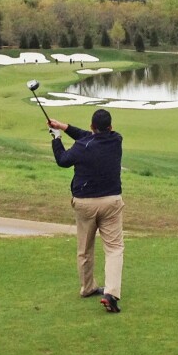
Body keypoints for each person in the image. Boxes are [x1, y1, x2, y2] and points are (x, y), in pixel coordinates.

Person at [47, 109, 124, 313]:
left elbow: (62, 160)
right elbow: (90, 138)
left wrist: (57, 138)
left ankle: (88, 288)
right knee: (114, 249)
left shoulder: (82, 147)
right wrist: (64, 126)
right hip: (111, 202)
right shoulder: (116, 140)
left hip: (85, 204)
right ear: (110, 127)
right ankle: (111, 293)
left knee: (85, 248)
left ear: (92, 127)